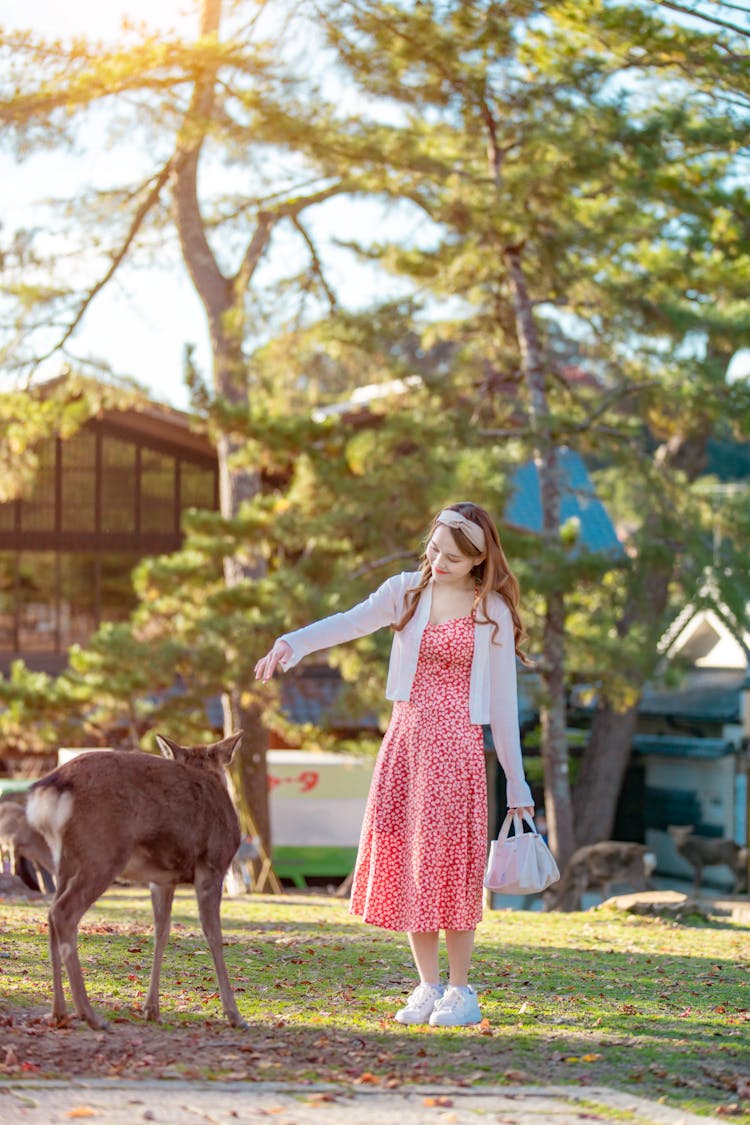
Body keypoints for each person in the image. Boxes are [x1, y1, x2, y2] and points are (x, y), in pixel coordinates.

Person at [254, 501, 534, 1028]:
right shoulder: (406, 592)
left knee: (450, 866)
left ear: (478, 560)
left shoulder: (489, 609)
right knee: (411, 863)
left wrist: (517, 783)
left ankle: (461, 991)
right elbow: (348, 623)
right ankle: (428, 987)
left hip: (457, 747)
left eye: (452, 556)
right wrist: (291, 643)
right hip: (405, 741)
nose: (438, 561)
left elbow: (503, 705)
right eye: (434, 549)